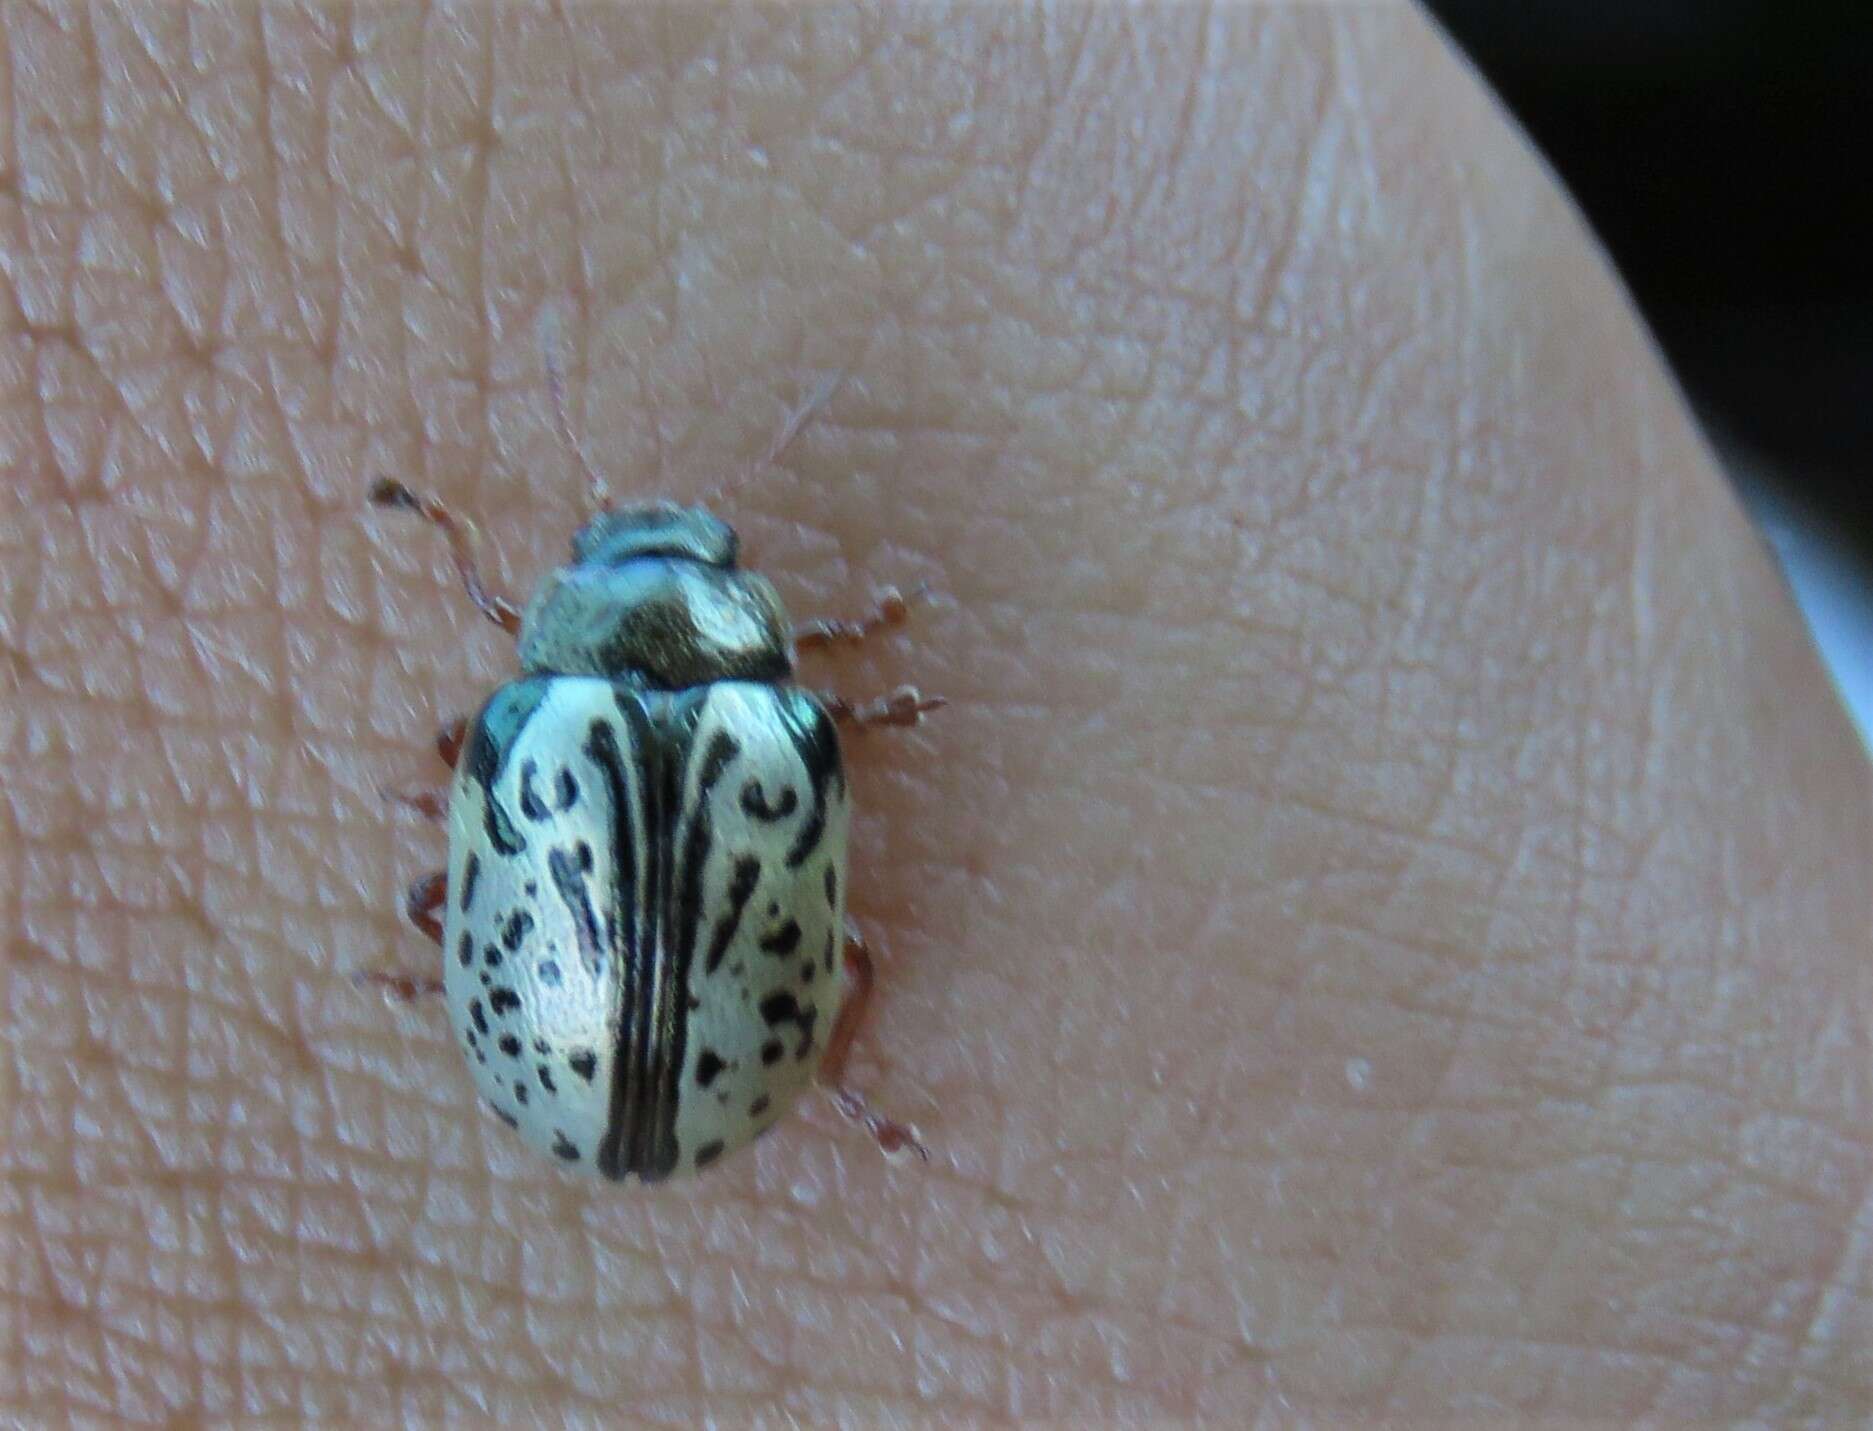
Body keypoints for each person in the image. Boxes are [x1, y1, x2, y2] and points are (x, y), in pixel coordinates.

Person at [3, 3, 1865, 1420]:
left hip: (615, 1065)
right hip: (704, 1061)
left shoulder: (548, 719)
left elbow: (464, 819)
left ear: (555, 619)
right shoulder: (778, 723)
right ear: (748, 625)